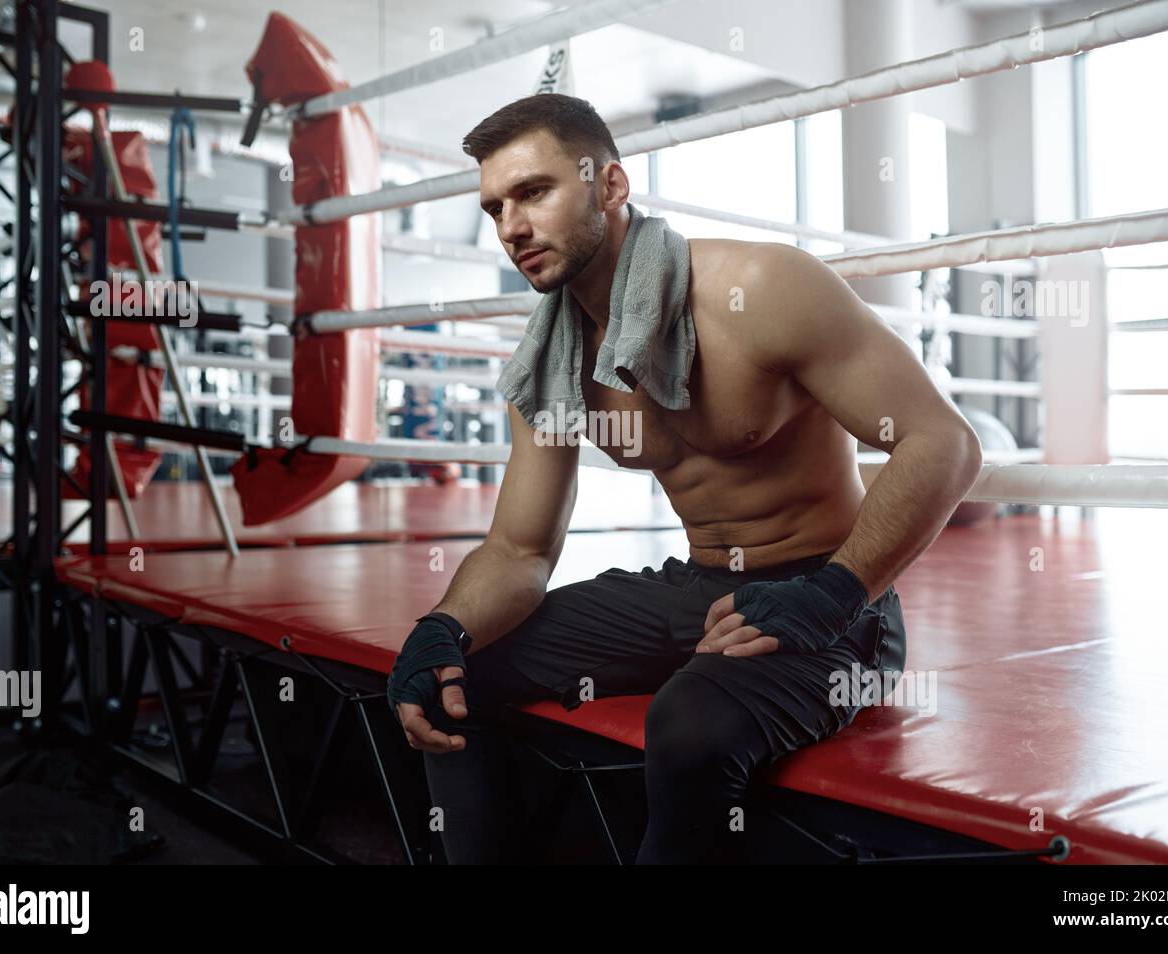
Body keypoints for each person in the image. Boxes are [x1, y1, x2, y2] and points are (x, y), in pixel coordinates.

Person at [387, 93, 982, 864]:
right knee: (457, 674)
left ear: (609, 185)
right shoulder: (553, 360)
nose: (511, 227)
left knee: (691, 726)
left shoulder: (761, 289)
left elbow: (943, 443)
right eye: (495, 207)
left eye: (534, 192)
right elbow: (519, 549)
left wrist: (833, 594)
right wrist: (444, 628)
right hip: (699, 590)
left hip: (833, 610)